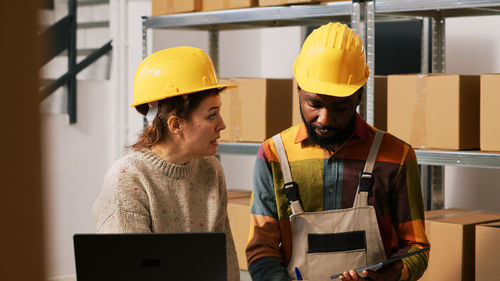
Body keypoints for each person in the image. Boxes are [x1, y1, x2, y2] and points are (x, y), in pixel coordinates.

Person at [246, 22, 430, 281]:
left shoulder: (396, 156)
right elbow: (261, 249)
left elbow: (416, 248)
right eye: (314, 104)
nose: (325, 119)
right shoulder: (273, 155)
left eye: (340, 107)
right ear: (298, 89)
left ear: (359, 96)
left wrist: (384, 278)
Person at [92, 46, 240, 281]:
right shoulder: (127, 178)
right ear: (176, 125)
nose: (222, 124)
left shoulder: (211, 170)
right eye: (211, 115)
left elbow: (227, 265)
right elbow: (129, 272)